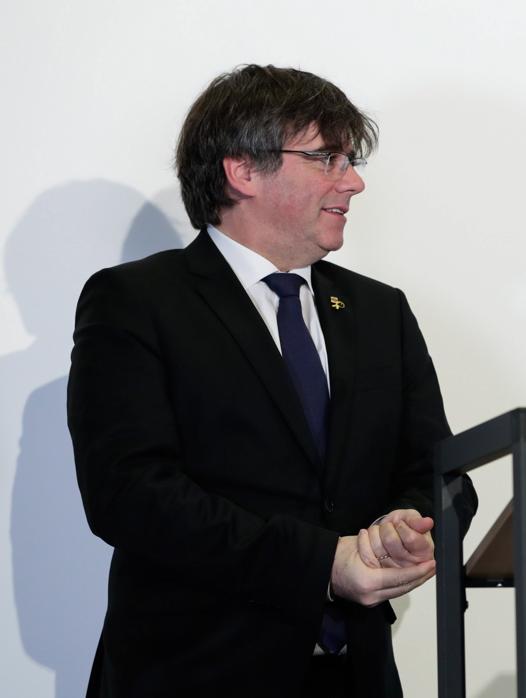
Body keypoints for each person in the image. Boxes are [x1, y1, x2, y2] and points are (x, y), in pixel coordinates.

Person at [67, 64, 476, 697]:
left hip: (356, 677)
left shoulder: (379, 311)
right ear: (243, 171)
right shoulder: (138, 301)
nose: (354, 181)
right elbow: (129, 494)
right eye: (328, 158)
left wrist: (410, 526)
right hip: (194, 675)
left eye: (350, 161)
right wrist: (323, 564)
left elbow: (438, 472)